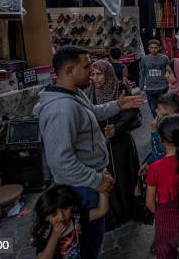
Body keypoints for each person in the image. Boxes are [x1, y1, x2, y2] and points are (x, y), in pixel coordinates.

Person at [33, 45, 144, 258]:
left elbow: (92, 112)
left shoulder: (74, 95)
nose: (91, 72)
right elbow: (61, 161)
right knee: (84, 246)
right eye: (86, 67)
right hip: (80, 187)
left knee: (92, 242)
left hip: (88, 183)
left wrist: (118, 105)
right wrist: (96, 180)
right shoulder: (60, 110)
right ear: (69, 71)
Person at [85, 60, 140, 230]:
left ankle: (129, 210)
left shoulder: (120, 87)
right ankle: (113, 213)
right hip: (101, 144)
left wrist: (117, 127)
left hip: (121, 141)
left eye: (99, 74)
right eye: (92, 74)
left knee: (124, 175)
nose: (95, 78)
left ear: (107, 73)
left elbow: (132, 111)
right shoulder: (89, 92)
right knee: (107, 177)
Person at [146, 115, 179, 259]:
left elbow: (150, 204)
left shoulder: (155, 168)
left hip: (165, 223)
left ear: (161, 140)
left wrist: (162, 215)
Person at [32, 185, 109, 259]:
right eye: (54, 214)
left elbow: (101, 211)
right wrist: (55, 236)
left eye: (65, 209)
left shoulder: (76, 217)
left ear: (71, 206)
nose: (61, 216)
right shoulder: (44, 233)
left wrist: (102, 190)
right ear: (46, 217)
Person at [140, 39, 169, 118]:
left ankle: (163, 123)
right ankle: (157, 122)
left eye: (155, 47)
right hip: (150, 89)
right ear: (148, 48)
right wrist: (141, 89)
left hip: (162, 88)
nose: (153, 49)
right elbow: (142, 74)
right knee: (153, 109)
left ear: (159, 48)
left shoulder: (164, 58)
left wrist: (169, 85)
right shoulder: (144, 59)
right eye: (151, 47)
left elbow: (169, 72)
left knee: (163, 109)